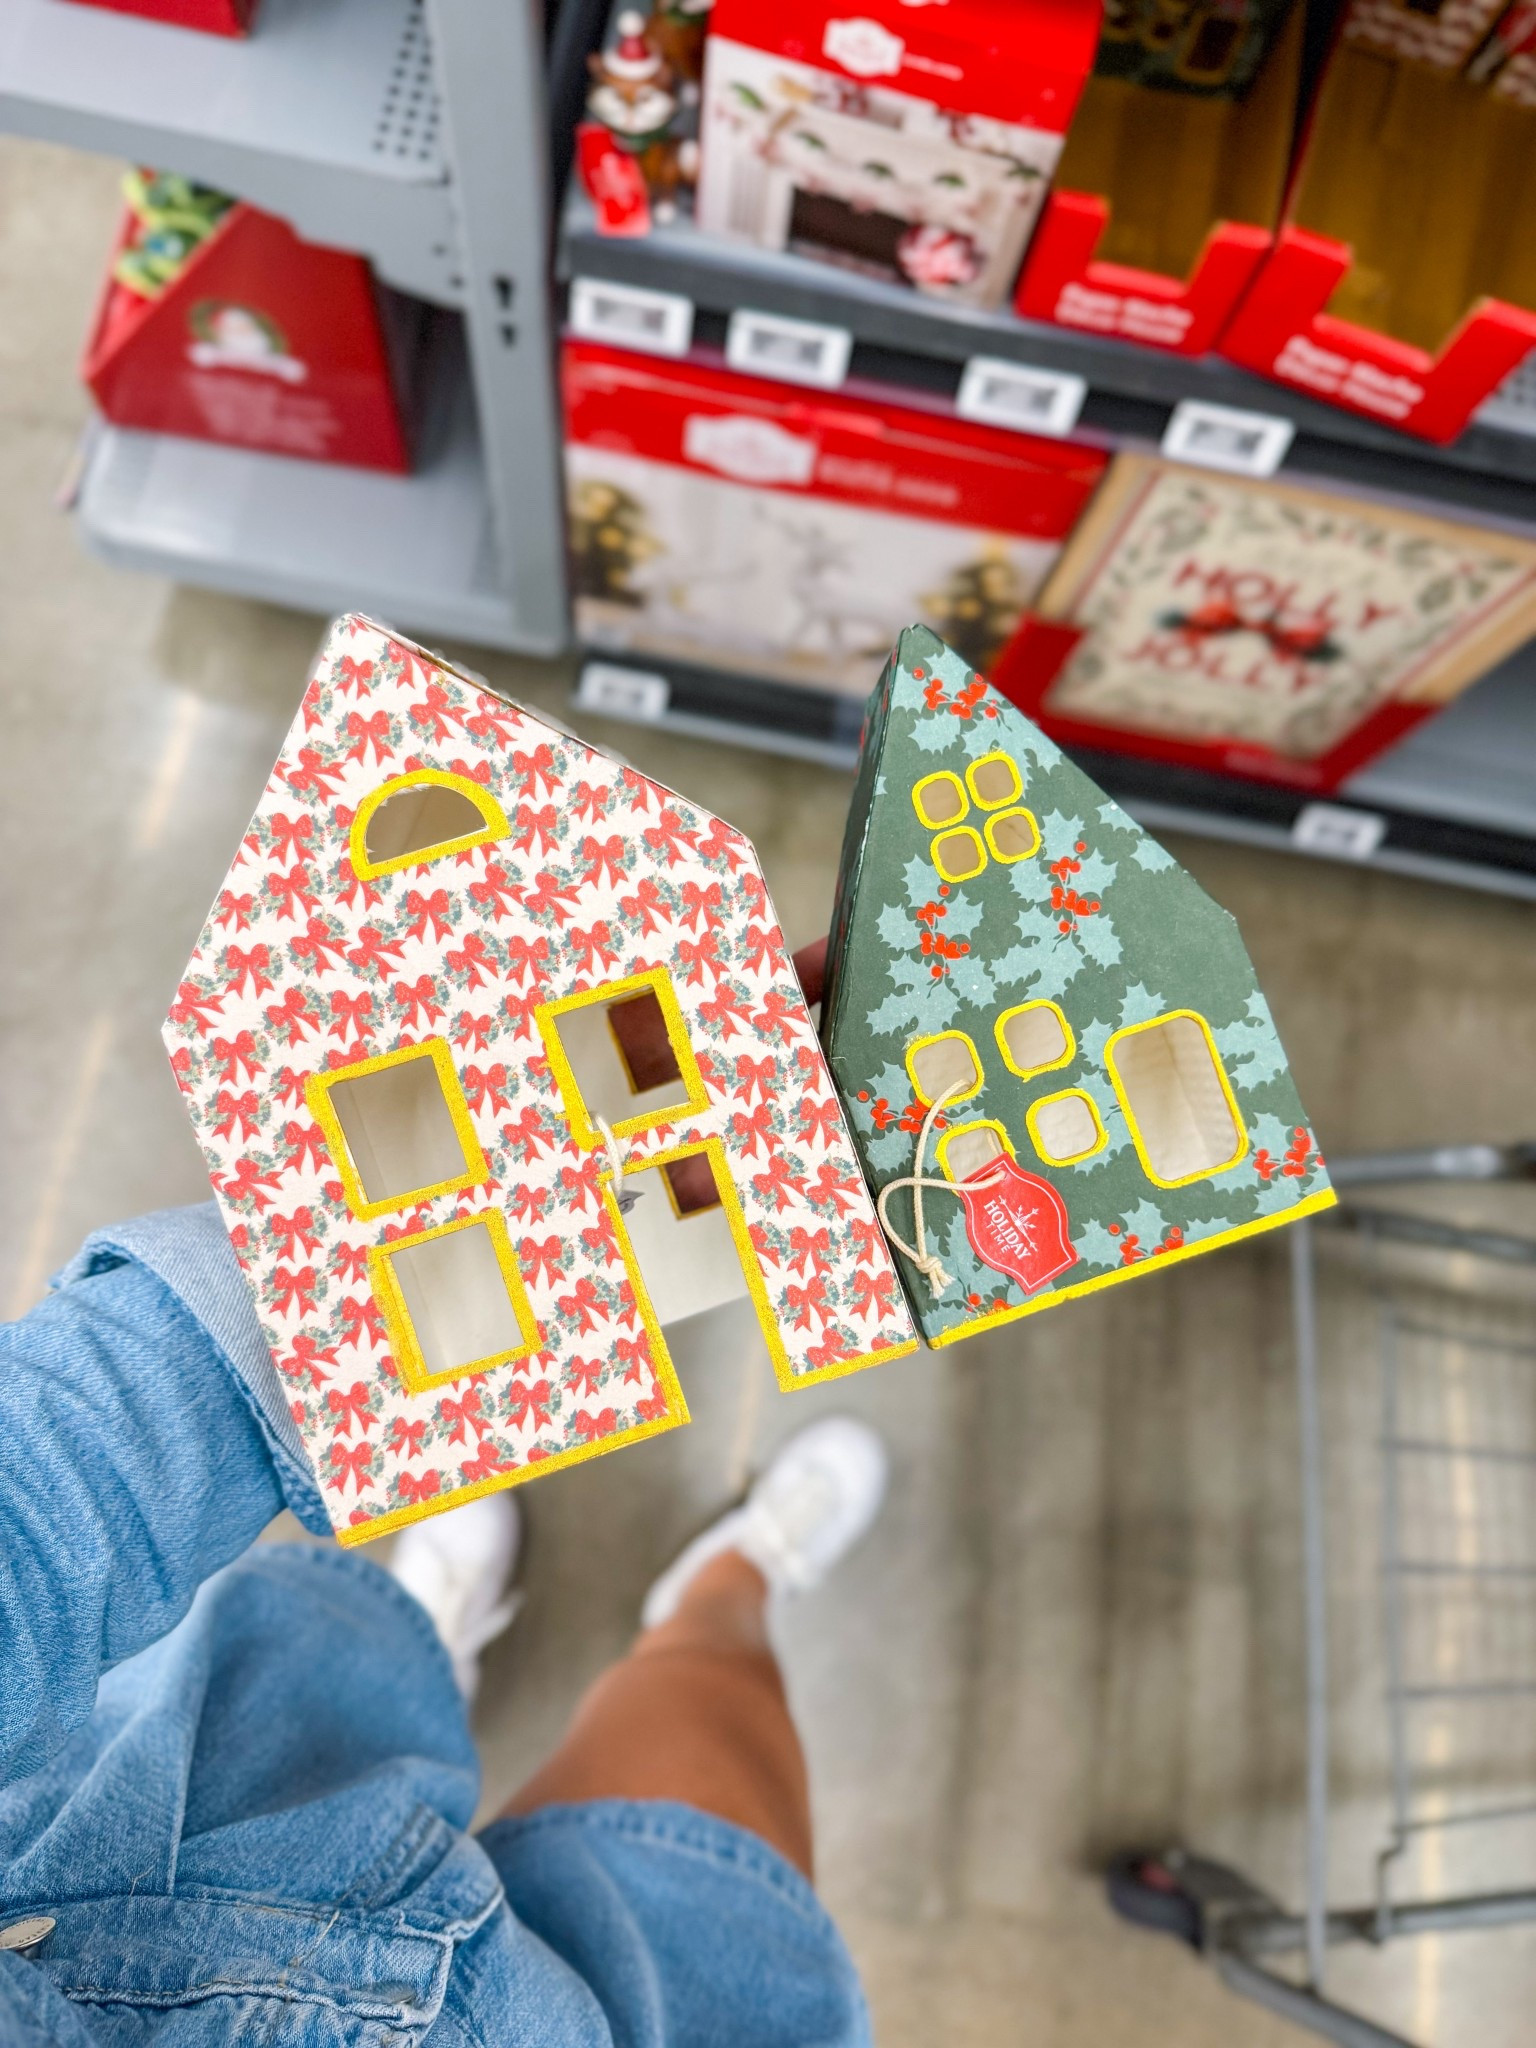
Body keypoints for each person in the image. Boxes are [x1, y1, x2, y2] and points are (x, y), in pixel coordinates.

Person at [0, 1201, 888, 2045]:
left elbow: (34, 1520)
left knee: (337, 1667)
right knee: (716, 1714)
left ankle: (423, 1652)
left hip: (153, 1815)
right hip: (578, 2028)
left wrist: (322, 1298)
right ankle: (728, 1586)